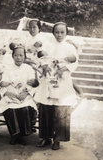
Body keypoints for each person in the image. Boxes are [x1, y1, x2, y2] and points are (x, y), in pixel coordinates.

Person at [34, 22, 79, 150]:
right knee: (46, 109)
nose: (59, 35)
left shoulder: (70, 47)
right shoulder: (48, 45)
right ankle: (45, 137)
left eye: (62, 32)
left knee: (60, 111)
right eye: (57, 32)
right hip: (48, 79)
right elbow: (41, 58)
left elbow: (75, 62)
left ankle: (57, 139)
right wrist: (44, 66)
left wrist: (63, 69)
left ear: (66, 33)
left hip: (62, 79)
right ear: (53, 33)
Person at [0, 47, 39, 145]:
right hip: (10, 95)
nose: (18, 58)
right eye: (16, 55)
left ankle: (22, 135)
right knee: (11, 109)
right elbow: (2, 84)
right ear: (12, 56)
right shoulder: (7, 68)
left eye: (21, 55)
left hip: (25, 95)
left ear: (24, 56)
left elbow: (33, 84)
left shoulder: (28, 68)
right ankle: (14, 135)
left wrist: (26, 93)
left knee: (26, 108)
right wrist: (7, 93)